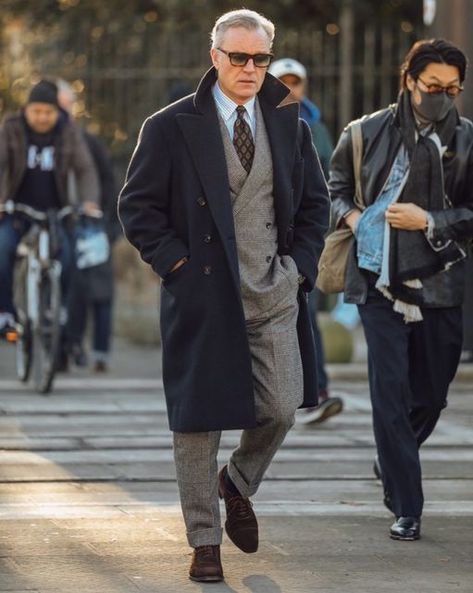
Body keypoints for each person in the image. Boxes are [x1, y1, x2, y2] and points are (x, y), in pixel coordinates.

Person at [119, 9, 329, 582]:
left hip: (273, 290)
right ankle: (204, 540)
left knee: (284, 406)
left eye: (259, 58)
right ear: (214, 57)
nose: (249, 68)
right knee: (197, 423)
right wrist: (178, 265)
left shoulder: (290, 122)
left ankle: (236, 482)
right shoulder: (169, 126)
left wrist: (299, 271)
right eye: (238, 56)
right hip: (202, 294)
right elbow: (137, 208)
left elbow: (315, 204)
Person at [329, 39, 473, 541]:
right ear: (409, 79)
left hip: (440, 282)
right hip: (376, 279)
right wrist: (354, 218)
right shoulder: (364, 132)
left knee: (430, 398)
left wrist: (428, 219)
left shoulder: (468, 140)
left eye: (453, 89)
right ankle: (407, 505)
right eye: (433, 86)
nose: (443, 96)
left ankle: (394, 456)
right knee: (389, 395)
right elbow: (335, 186)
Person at [269, 57, 343, 425]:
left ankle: (317, 389)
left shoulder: (317, 128)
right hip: (267, 234)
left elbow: (328, 183)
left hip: (306, 235)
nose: (289, 88)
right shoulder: (257, 121)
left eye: (295, 82)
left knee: (308, 311)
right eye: (282, 81)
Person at [0, 79, 100, 337]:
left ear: (57, 112)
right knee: (2, 250)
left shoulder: (68, 131)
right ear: (26, 110)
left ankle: (55, 308)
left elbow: (85, 169)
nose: (42, 118)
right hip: (17, 210)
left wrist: (89, 201)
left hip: (55, 213)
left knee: (67, 257)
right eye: (37, 111)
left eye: (48, 112)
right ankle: (6, 313)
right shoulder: (11, 128)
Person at [57, 80, 119, 372]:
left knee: (100, 292)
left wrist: (107, 224)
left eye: (65, 106)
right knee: (68, 290)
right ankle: (66, 349)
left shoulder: (88, 142)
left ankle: (100, 353)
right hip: (60, 226)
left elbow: (109, 183)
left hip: (93, 228)